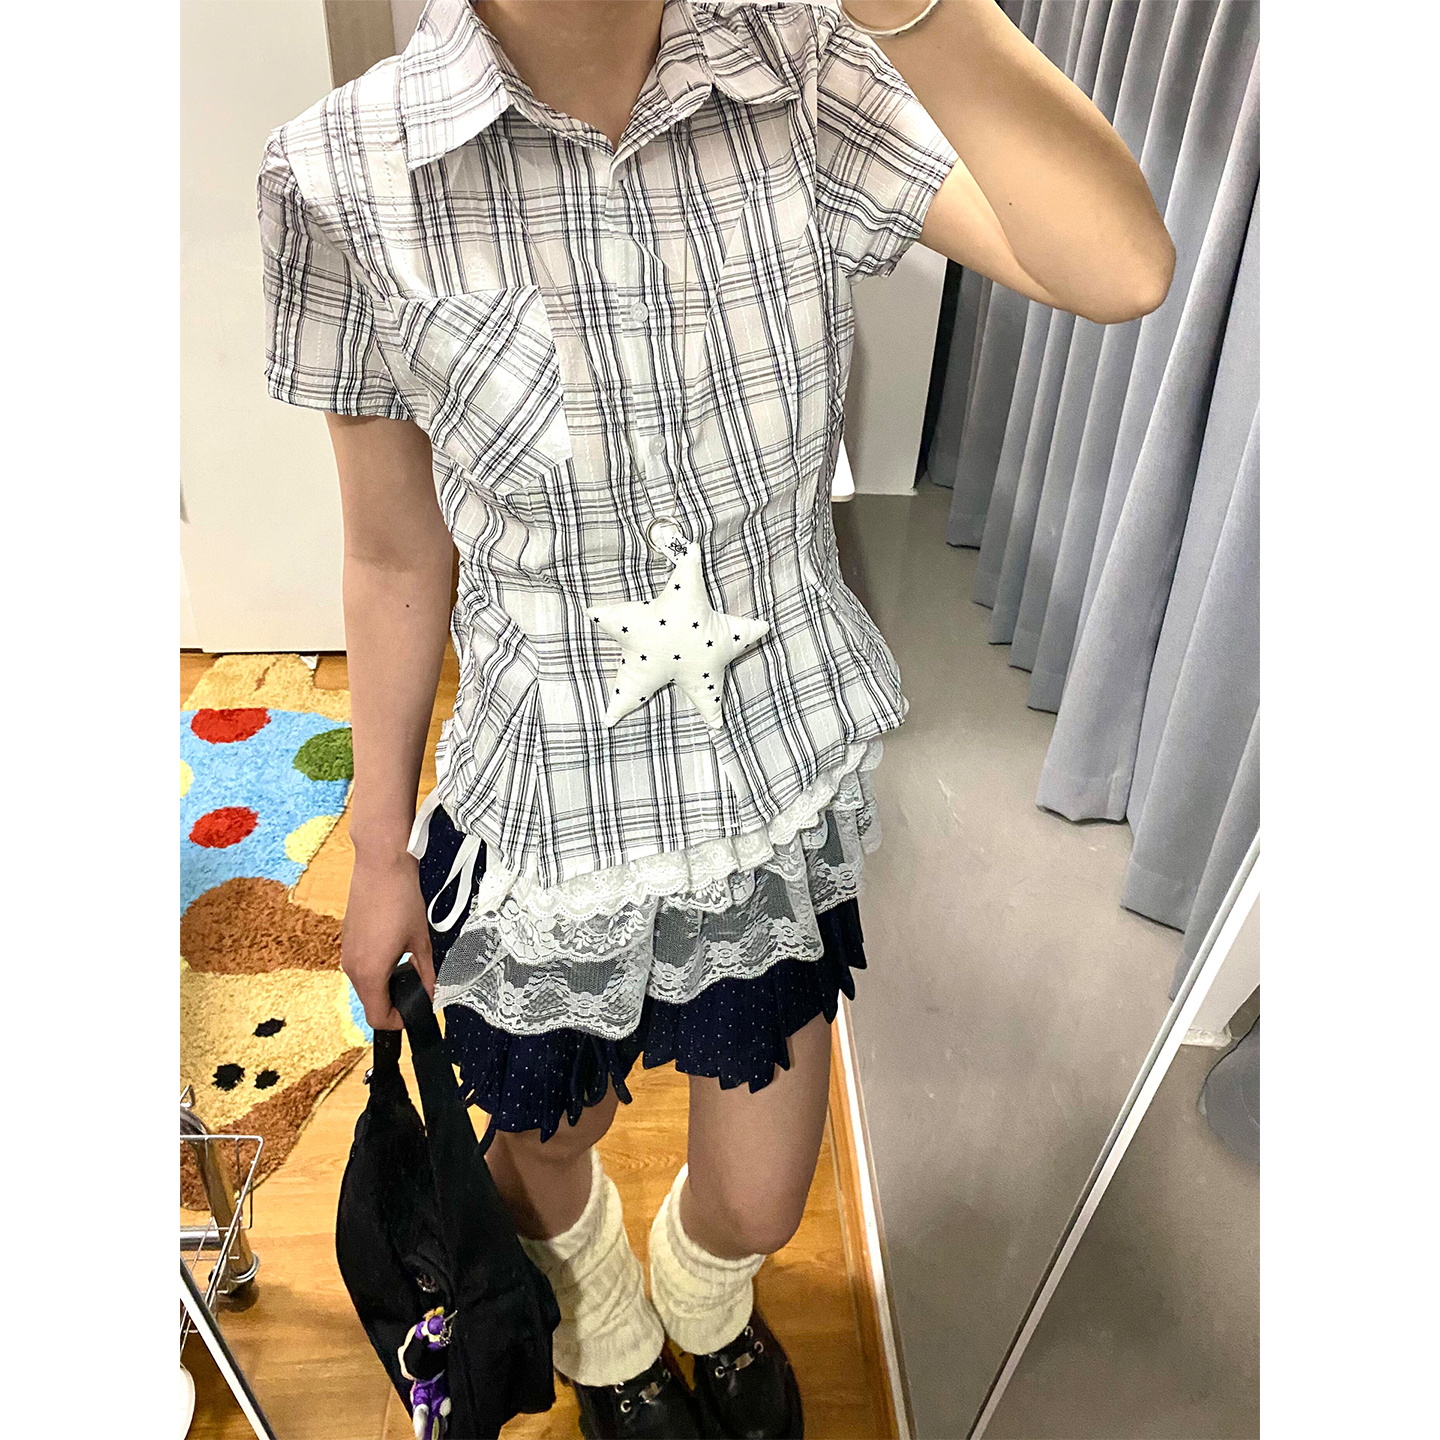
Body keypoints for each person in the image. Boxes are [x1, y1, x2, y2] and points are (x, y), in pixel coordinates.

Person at [256, 2, 1173, 1436]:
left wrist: (914, 12)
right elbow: (390, 550)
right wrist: (377, 851)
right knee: (545, 1150)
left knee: (756, 1199)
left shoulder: (799, 66)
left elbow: (1119, 267)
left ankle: (704, 1302)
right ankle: (607, 1338)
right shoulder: (344, 172)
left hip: (765, 793)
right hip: (552, 807)